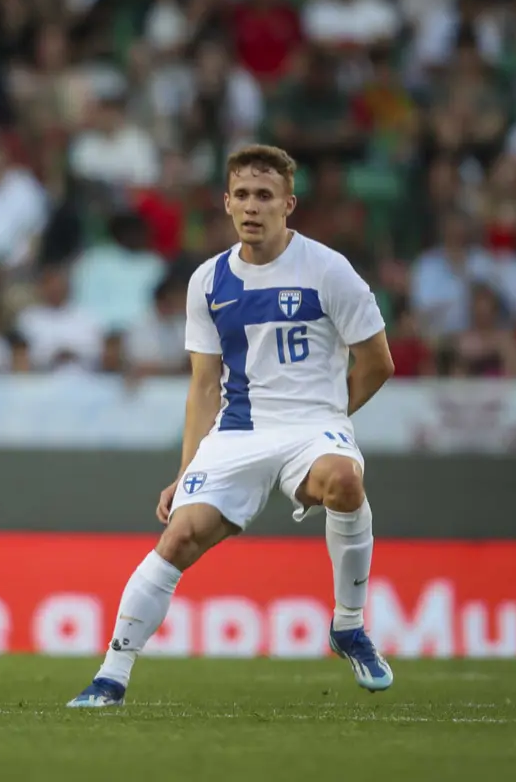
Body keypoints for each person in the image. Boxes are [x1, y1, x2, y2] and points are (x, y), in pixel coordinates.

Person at [67, 145, 396, 708]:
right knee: (179, 536)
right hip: (238, 431)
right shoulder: (208, 281)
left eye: (264, 196)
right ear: (225, 202)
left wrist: (332, 417)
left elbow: (378, 362)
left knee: (344, 479)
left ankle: (348, 625)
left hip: (313, 425)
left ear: (288, 204)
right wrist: (185, 471)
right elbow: (202, 385)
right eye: (241, 194)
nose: (252, 206)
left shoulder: (328, 269)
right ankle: (110, 677)